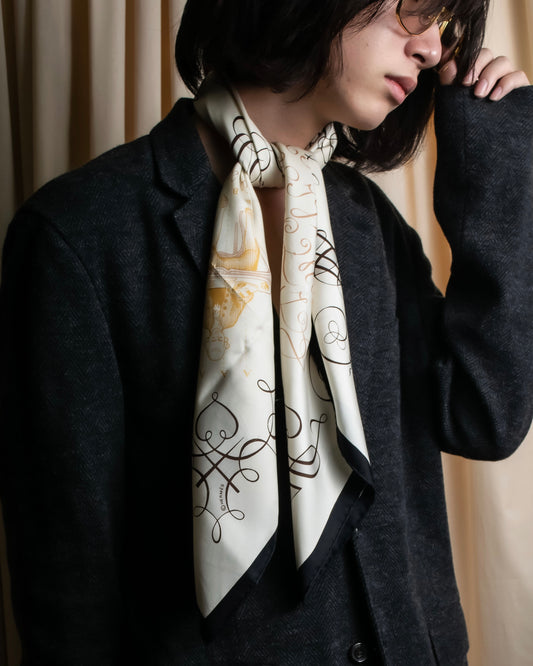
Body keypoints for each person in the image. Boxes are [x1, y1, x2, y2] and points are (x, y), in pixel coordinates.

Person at [0, 0, 532, 664]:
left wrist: (494, 154)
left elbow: (482, 416)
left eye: (444, 28)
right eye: (414, 10)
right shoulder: (80, 234)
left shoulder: (369, 224)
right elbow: (69, 588)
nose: (429, 50)